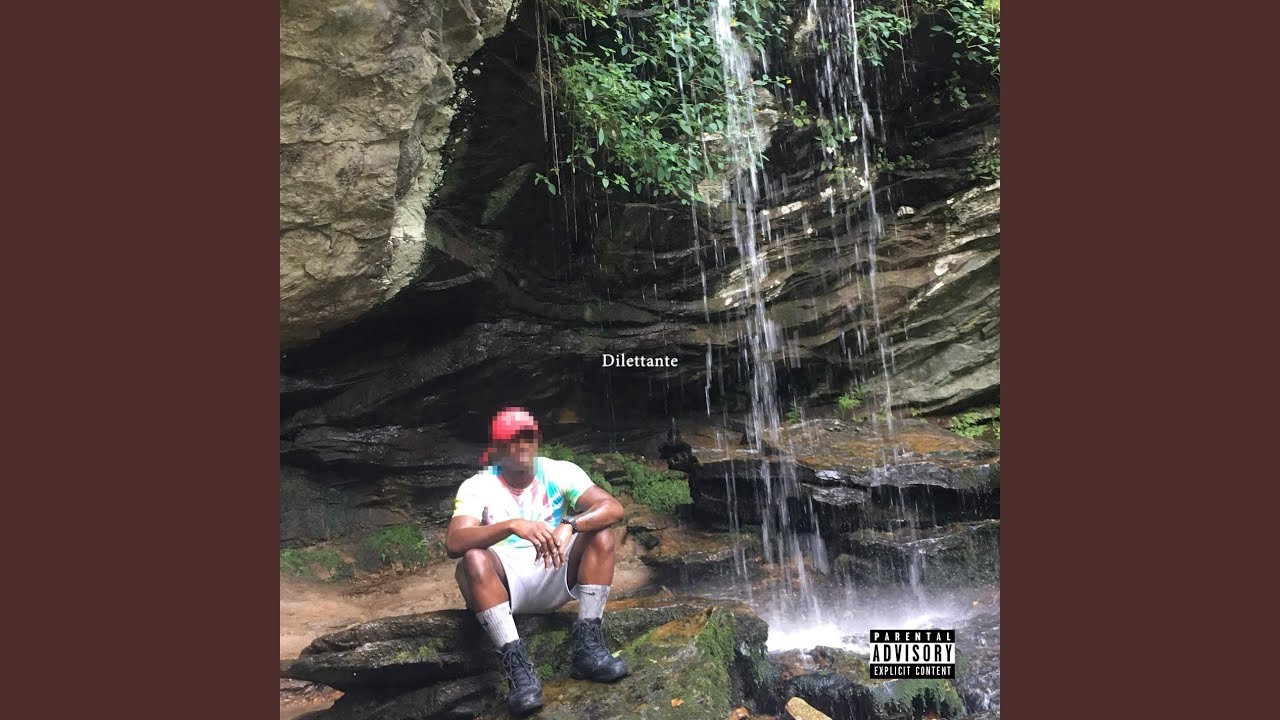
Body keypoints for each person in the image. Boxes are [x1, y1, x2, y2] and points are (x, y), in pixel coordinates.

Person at [447, 406, 629, 716]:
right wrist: (511, 525)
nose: (521, 446)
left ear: (537, 440)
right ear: (497, 448)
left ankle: (588, 648)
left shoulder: (560, 472)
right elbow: (455, 542)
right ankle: (519, 670)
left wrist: (570, 524)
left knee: (602, 533)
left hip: (555, 568)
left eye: (527, 437)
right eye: (511, 440)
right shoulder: (479, 486)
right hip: (505, 584)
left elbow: (612, 507)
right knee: (473, 558)